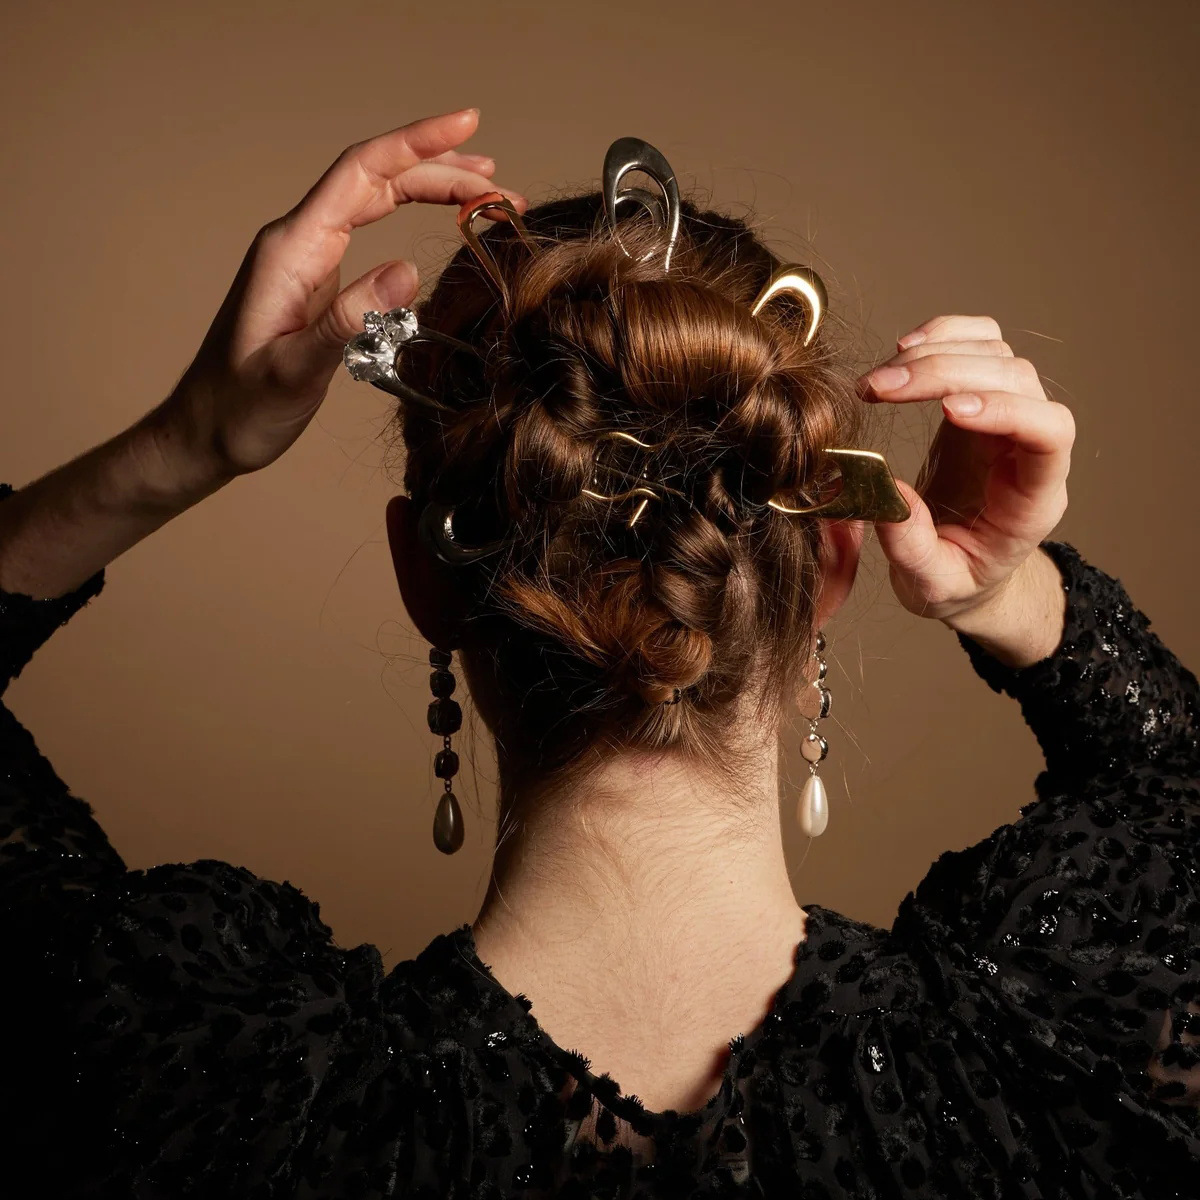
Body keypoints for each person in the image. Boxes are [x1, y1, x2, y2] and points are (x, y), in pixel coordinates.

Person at [0, 107, 1195, 1199]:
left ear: (427, 578)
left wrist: (183, 445)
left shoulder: (205, 1092)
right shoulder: (1048, 1054)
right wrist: (1007, 590)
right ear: (835, 565)